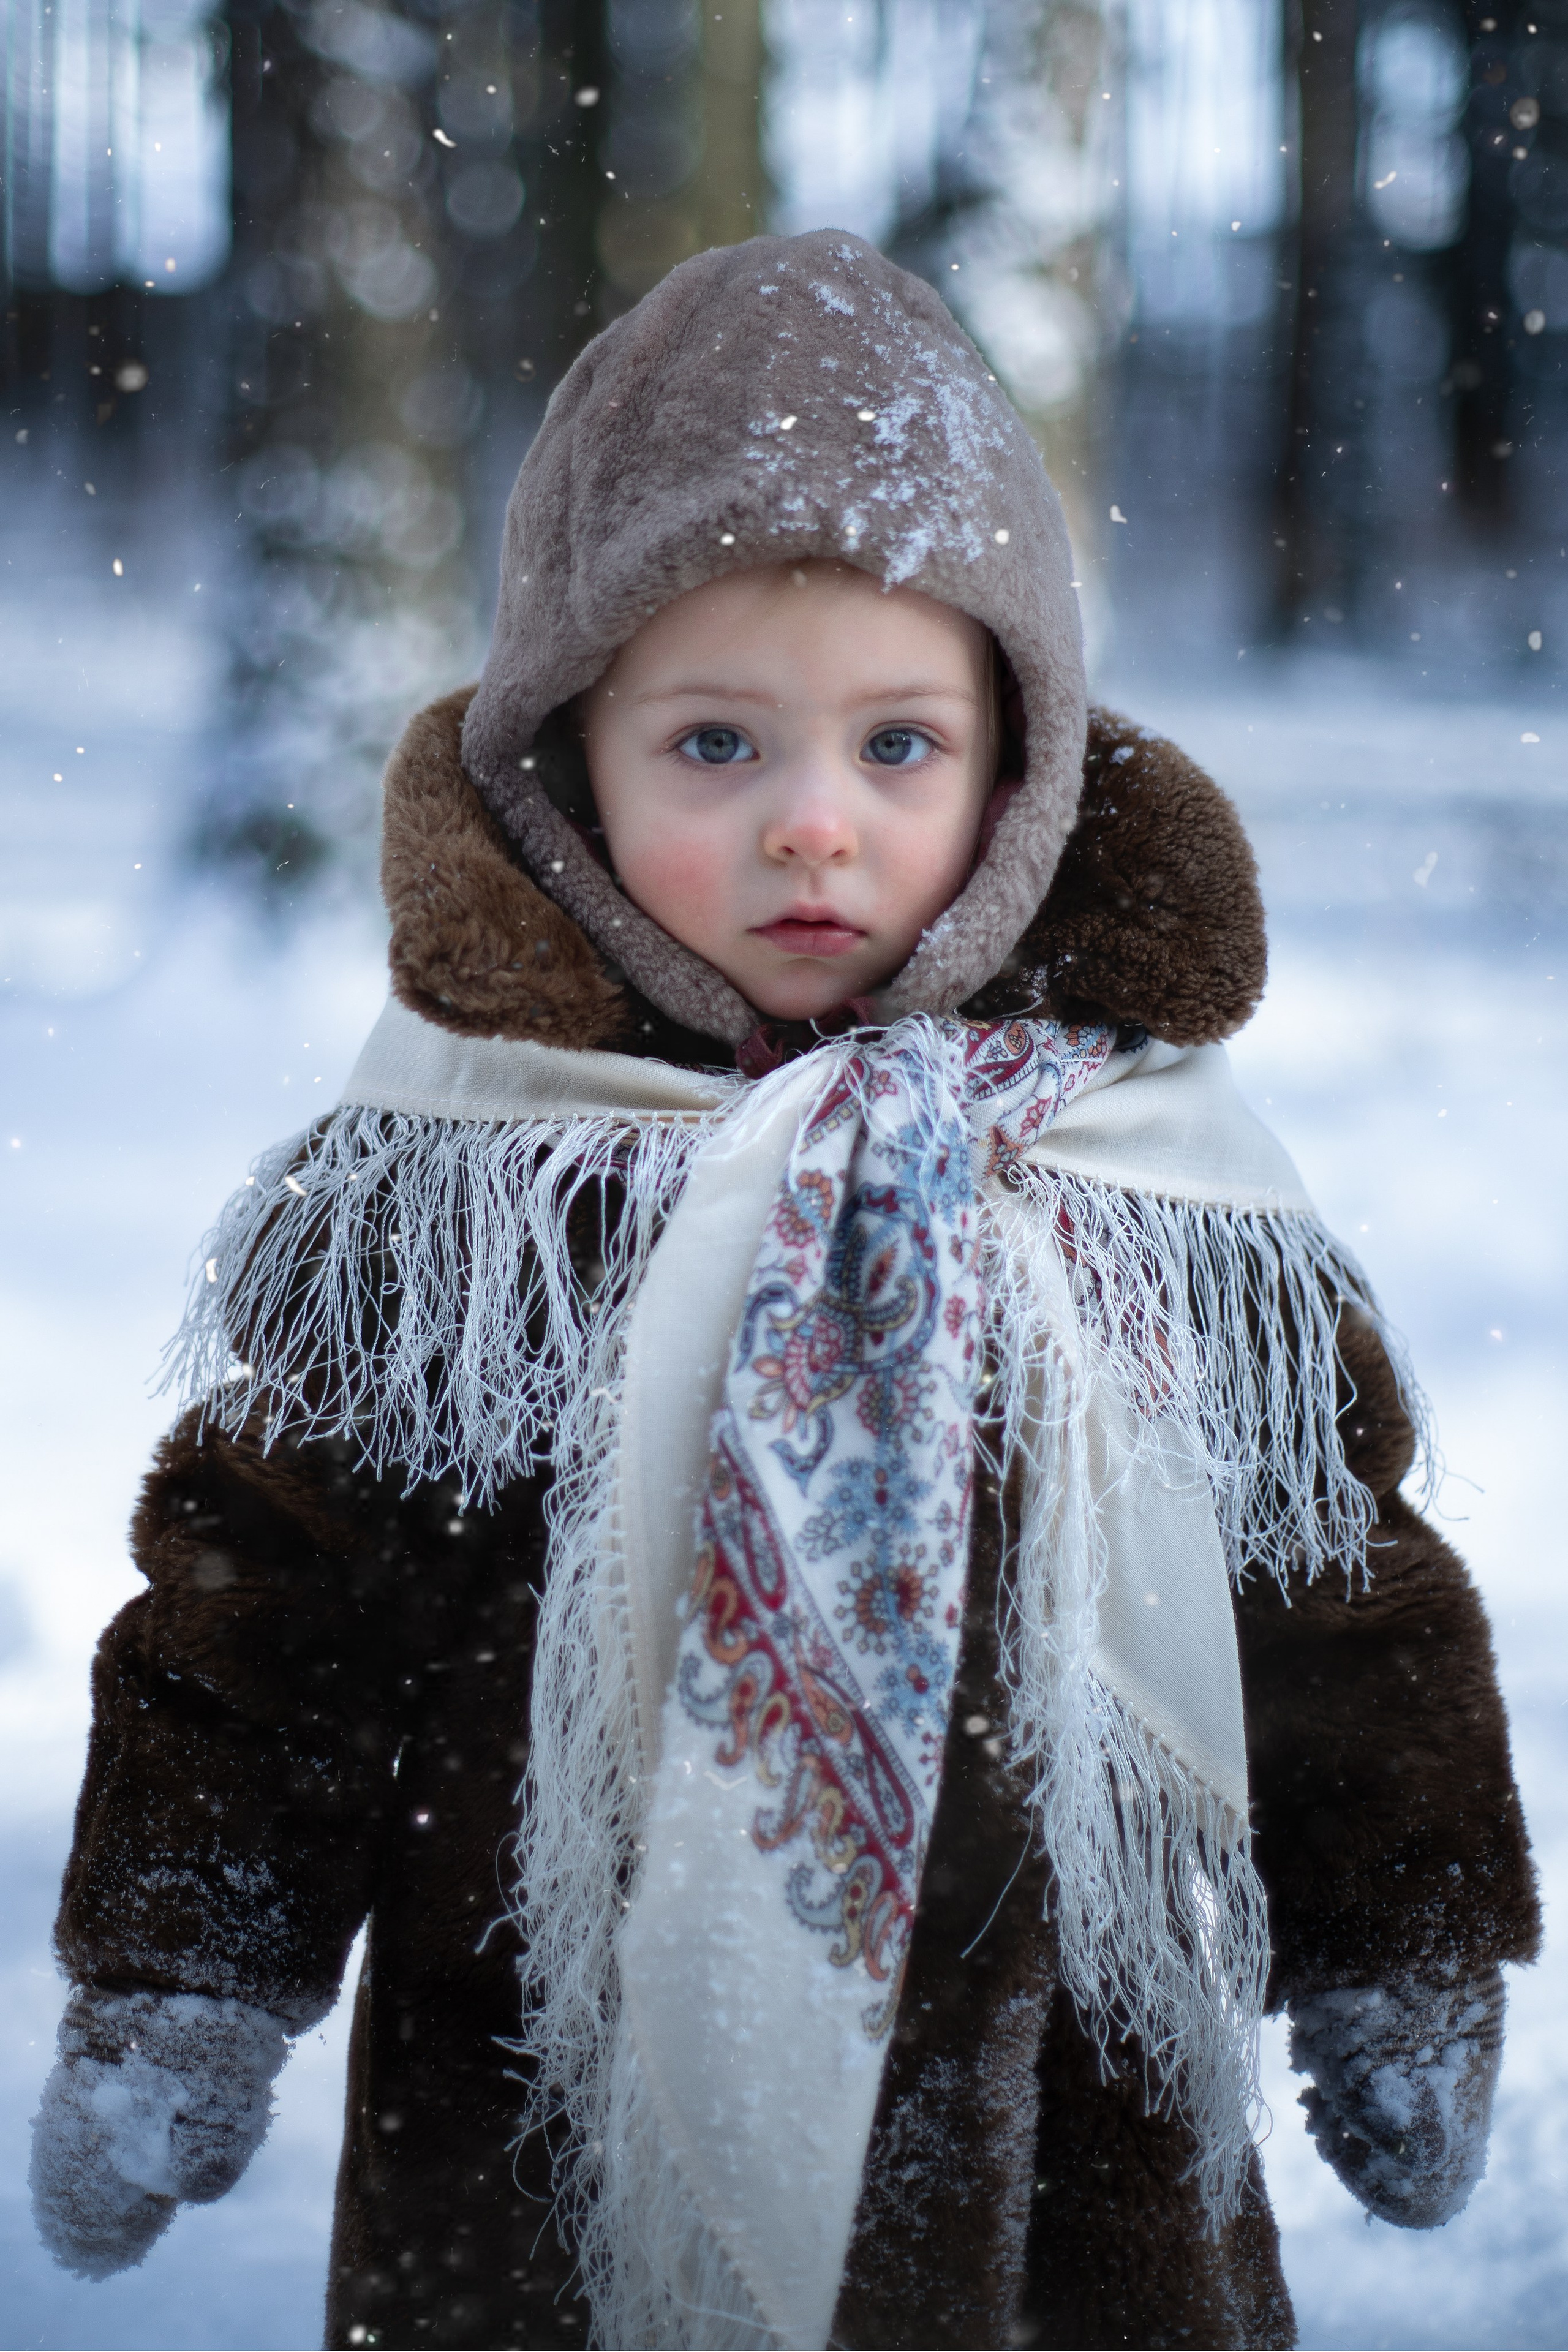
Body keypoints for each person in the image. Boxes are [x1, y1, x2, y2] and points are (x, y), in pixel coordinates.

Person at [30, 232, 1539, 2352]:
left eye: (899, 750)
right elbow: (265, 1609)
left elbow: (1334, 1568)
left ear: (1021, 773)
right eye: (720, 747)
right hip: (547, 2127)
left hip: (1070, 2148)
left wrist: (1405, 1926)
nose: (815, 829)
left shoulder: (1143, 1186)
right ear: (569, 767)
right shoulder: (465, 1190)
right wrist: (180, 1977)